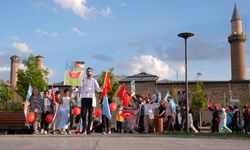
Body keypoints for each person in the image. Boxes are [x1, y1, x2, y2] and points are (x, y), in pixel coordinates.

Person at [78, 67, 102, 135]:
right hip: (84, 98)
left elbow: (97, 89)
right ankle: (84, 129)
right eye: (88, 71)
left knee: (90, 116)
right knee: (83, 115)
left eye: (90, 71)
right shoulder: (83, 80)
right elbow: (79, 88)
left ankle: (88, 130)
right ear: (86, 72)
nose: (89, 72)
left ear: (91, 72)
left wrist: (102, 88)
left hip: (91, 99)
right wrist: (74, 90)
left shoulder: (94, 80)